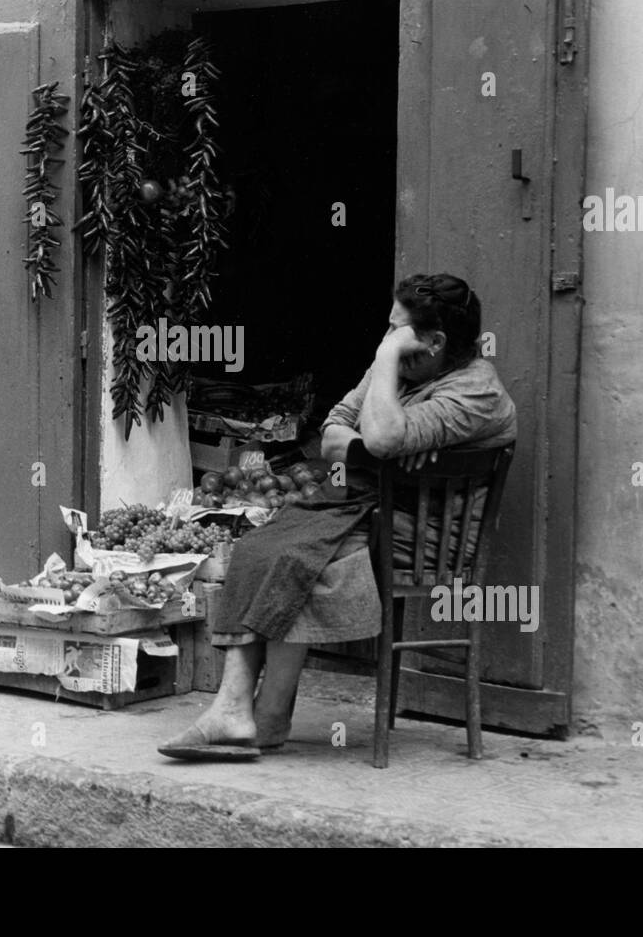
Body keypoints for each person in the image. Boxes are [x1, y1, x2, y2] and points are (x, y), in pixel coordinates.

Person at [158, 272, 517, 760]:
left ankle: (257, 716)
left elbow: (384, 438)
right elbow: (332, 434)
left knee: (303, 558)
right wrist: (372, 448)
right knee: (262, 545)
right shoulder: (398, 372)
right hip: (366, 510)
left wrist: (384, 406)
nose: (387, 341)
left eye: (399, 335)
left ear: (433, 343)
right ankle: (242, 711)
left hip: (423, 535)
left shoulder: (479, 392)